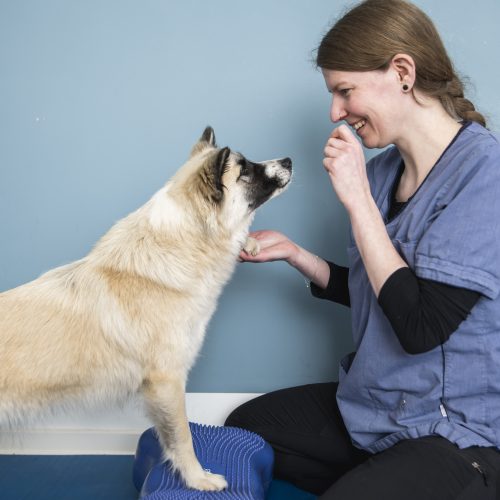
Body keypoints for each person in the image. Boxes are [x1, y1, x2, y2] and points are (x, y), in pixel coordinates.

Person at [224, 0, 500, 498]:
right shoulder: (381, 173)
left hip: (454, 435)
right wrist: (298, 256)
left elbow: (420, 326)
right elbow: (382, 295)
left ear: (402, 72)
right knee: (248, 425)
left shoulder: (485, 177)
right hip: (382, 407)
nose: (335, 112)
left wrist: (357, 203)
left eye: (344, 91)